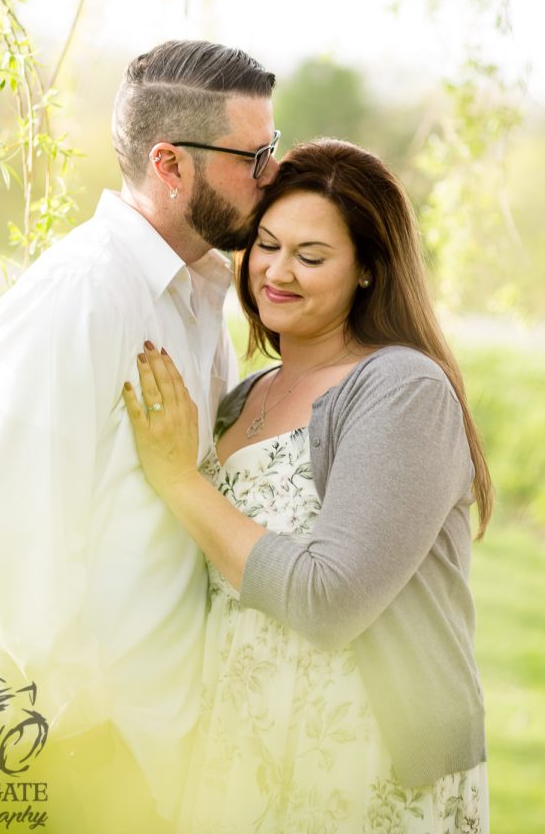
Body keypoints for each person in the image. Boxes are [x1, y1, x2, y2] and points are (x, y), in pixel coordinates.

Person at [0, 39, 278, 832]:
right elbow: (11, 547)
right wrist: (87, 749)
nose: (272, 176)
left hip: (157, 760)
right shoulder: (79, 297)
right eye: (253, 158)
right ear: (169, 164)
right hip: (70, 765)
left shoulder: (198, 296)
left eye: (274, 150)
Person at [124, 139, 492, 833]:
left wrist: (177, 478)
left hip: (360, 764)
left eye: (311, 257)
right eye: (266, 245)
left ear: (368, 270)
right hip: (238, 747)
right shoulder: (243, 398)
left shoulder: (402, 389)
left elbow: (330, 600)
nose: (277, 271)